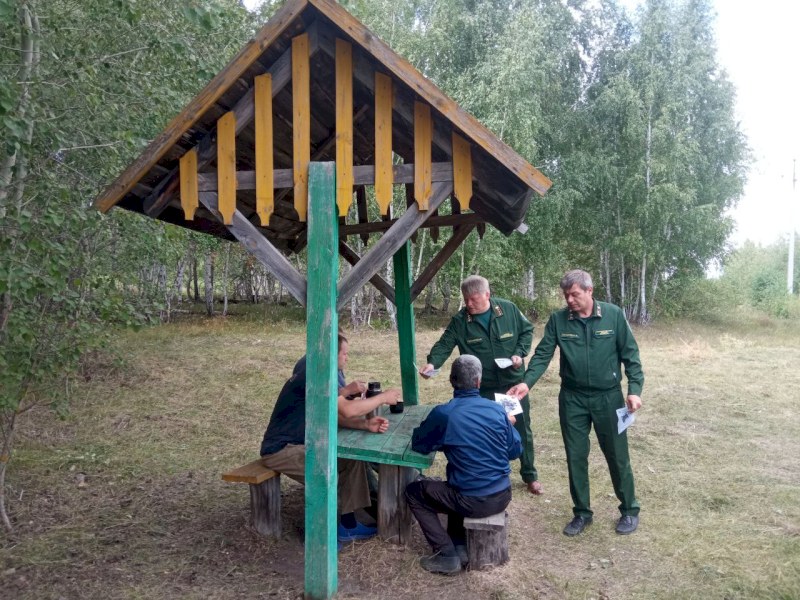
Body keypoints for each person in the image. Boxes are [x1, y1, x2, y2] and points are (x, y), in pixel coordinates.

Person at [507, 270, 644, 536]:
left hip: (609, 397)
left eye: (575, 294)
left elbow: (632, 356)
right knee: (575, 456)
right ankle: (582, 513)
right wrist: (526, 382)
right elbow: (542, 354)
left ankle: (629, 510)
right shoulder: (559, 320)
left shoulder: (613, 315)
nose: (569, 300)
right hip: (573, 399)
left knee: (617, 455)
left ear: (589, 291)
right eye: (566, 295)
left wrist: (634, 390)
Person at [260, 334, 401, 543]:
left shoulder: (320, 366)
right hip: (282, 448)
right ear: (331, 354)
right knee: (326, 471)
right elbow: (347, 410)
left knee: (351, 461)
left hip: (303, 442)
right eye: (344, 353)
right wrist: (383, 397)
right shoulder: (317, 370)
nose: (347, 358)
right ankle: (318, 535)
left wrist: (364, 424)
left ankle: (348, 524)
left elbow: (335, 414)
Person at [419, 275, 542, 495]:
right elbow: (445, 343)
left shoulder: (508, 310)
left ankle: (530, 475)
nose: (469, 304)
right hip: (481, 389)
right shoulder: (460, 321)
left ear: (487, 294)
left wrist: (519, 353)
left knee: (521, 428)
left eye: (473, 299)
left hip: (512, 385)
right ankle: (491, 473)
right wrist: (432, 363)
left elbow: (527, 331)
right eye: (466, 299)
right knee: (482, 431)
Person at [406, 355, 521, 575]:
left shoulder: (444, 414)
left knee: (414, 492)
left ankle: (446, 554)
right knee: (456, 484)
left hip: (471, 500)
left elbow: (420, 444)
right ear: (479, 381)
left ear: (451, 380)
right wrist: (508, 425)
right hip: (503, 494)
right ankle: (460, 546)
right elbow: (515, 451)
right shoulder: (497, 411)